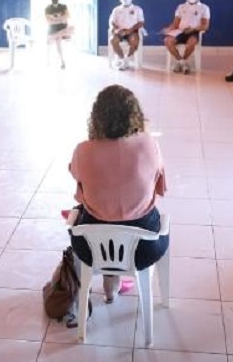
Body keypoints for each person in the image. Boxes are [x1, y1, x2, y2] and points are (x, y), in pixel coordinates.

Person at [69, 85, 168, 302]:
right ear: (135, 116)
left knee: (90, 213)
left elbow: (75, 174)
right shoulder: (149, 145)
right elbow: (159, 185)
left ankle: (110, 280)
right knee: (140, 218)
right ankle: (120, 276)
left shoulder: (83, 150)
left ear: (97, 117)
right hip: (144, 248)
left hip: (91, 248)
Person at [163, 0, 211, 74]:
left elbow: (205, 26)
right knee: (167, 40)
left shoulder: (204, 8)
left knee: (191, 44)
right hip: (180, 31)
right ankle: (182, 62)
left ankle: (181, 63)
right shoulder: (181, 7)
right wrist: (168, 29)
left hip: (194, 32)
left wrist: (193, 29)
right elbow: (175, 23)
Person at [109, 0, 145, 70]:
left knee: (134, 41)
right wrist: (117, 29)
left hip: (132, 31)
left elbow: (141, 22)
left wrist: (131, 30)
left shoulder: (137, 9)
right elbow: (112, 21)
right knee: (112, 40)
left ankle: (127, 58)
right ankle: (122, 58)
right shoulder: (116, 10)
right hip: (120, 31)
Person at [45, 0, 74, 69]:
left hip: (63, 29)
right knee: (58, 40)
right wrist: (60, 19)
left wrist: (55, 18)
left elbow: (67, 17)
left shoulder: (63, 6)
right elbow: (49, 21)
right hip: (53, 29)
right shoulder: (48, 8)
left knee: (72, 28)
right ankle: (62, 61)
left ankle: (54, 36)